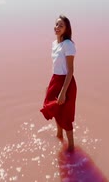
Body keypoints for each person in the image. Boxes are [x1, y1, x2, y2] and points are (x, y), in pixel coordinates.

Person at [40, 14, 77, 151]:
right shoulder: (54, 44)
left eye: (61, 25)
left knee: (66, 116)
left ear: (66, 29)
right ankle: (59, 136)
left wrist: (62, 92)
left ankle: (71, 149)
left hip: (66, 82)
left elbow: (70, 70)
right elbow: (56, 66)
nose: (57, 27)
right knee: (55, 111)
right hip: (55, 80)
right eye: (56, 25)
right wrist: (50, 85)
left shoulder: (68, 45)